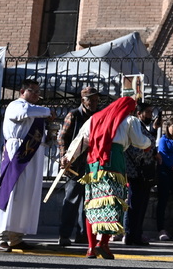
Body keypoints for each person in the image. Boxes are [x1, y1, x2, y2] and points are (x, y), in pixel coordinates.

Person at [64, 94, 155, 259]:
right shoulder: (129, 120)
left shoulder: (94, 118)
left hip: (93, 165)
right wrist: (149, 144)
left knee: (92, 204)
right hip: (115, 165)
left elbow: (80, 140)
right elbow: (140, 141)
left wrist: (68, 158)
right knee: (113, 204)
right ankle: (103, 244)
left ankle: (91, 247)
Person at [0, 80, 54, 252]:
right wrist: (48, 112)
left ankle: (16, 237)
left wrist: (48, 138)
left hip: (33, 156)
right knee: (10, 192)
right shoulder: (16, 105)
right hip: (16, 153)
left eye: (38, 92)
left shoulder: (37, 113)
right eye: (32, 91)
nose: (36, 95)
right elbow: (23, 113)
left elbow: (39, 136)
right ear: (22, 91)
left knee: (25, 195)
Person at [56, 86, 102, 246]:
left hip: (93, 164)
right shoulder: (74, 115)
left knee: (89, 201)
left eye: (96, 100)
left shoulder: (98, 115)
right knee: (72, 200)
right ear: (83, 100)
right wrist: (64, 157)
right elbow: (62, 137)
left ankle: (84, 235)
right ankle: (64, 235)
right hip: (74, 164)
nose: (94, 102)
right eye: (91, 99)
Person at [124, 103, 158, 246]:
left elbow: (149, 144)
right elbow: (134, 148)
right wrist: (148, 150)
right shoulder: (134, 125)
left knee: (142, 205)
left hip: (143, 173)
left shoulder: (143, 127)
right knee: (133, 204)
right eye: (148, 112)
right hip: (135, 171)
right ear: (139, 113)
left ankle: (137, 234)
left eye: (151, 112)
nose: (150, 115)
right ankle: (130, 234)